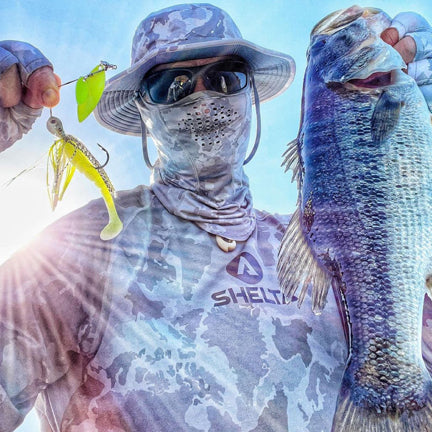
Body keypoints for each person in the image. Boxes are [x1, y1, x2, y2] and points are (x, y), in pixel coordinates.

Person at [1, 4, 432, 432]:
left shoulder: (329, 247)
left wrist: (412, 165)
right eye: (172, 86)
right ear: (143, 112)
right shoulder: (71, 254)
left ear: (249, 94)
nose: (204, 102)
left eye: (226, 79)